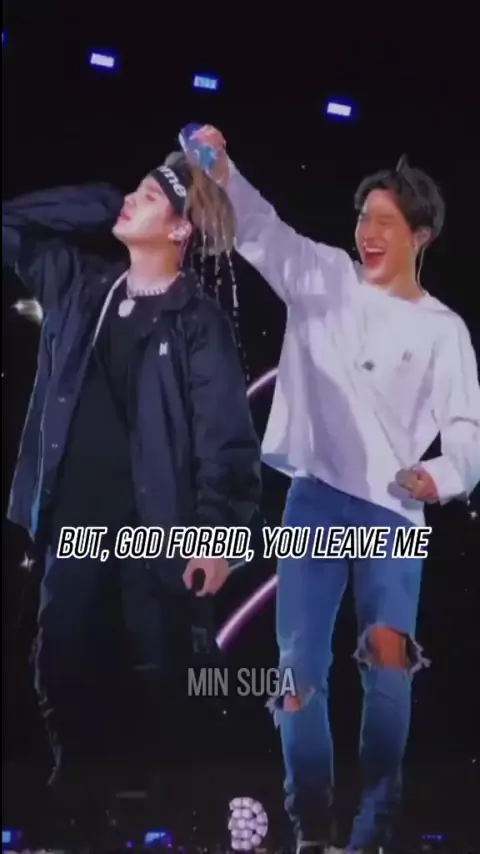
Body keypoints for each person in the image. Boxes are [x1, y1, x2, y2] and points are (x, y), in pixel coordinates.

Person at [189, 127, 480, 852]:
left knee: (388, 665)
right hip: (314, 499)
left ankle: (374, 828)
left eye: (385, 222)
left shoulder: (445, 330)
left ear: (420, 236)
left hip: (393, 512)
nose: (368, 233)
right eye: (363, 218)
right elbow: (261, 229)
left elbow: (467, 429)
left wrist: (439, 475)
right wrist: (221, 168)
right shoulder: (322, 274)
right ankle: (312, 828)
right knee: (298, 668)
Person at [2, 150, 262, 795]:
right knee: (61, 658)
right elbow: (9, 227)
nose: (129, 201)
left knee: (160, 666)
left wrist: (218, 539)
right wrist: (96, 200)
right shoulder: (81, 288)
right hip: (74, 521)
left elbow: (226, 440)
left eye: (148, 197)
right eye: (133, 191)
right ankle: (75, 793)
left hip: (157, 526)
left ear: (179, 228)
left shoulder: (198, 320)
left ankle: (179, 801)